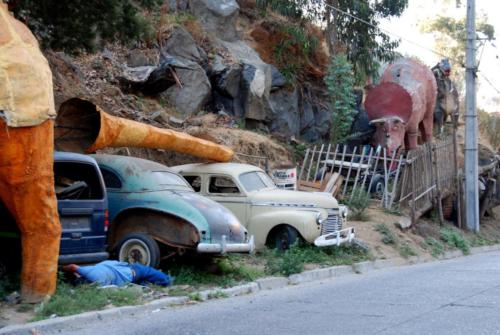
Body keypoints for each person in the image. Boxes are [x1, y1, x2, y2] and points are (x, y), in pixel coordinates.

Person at [0, 1, 61, 303]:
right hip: (21, 114)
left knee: (40, 220)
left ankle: (38, 292)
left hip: (24, 119)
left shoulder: (18, 30)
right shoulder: (19, 30)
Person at [62, 261, 173, 287]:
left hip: (130, 276)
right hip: (133, 271)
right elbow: (72, 267)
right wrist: (61, 268)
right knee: (166, 280)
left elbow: (77, 277)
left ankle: (145, 282)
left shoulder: (98, 284)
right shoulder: (89, 272)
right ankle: (166, 278)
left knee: (144, 279)